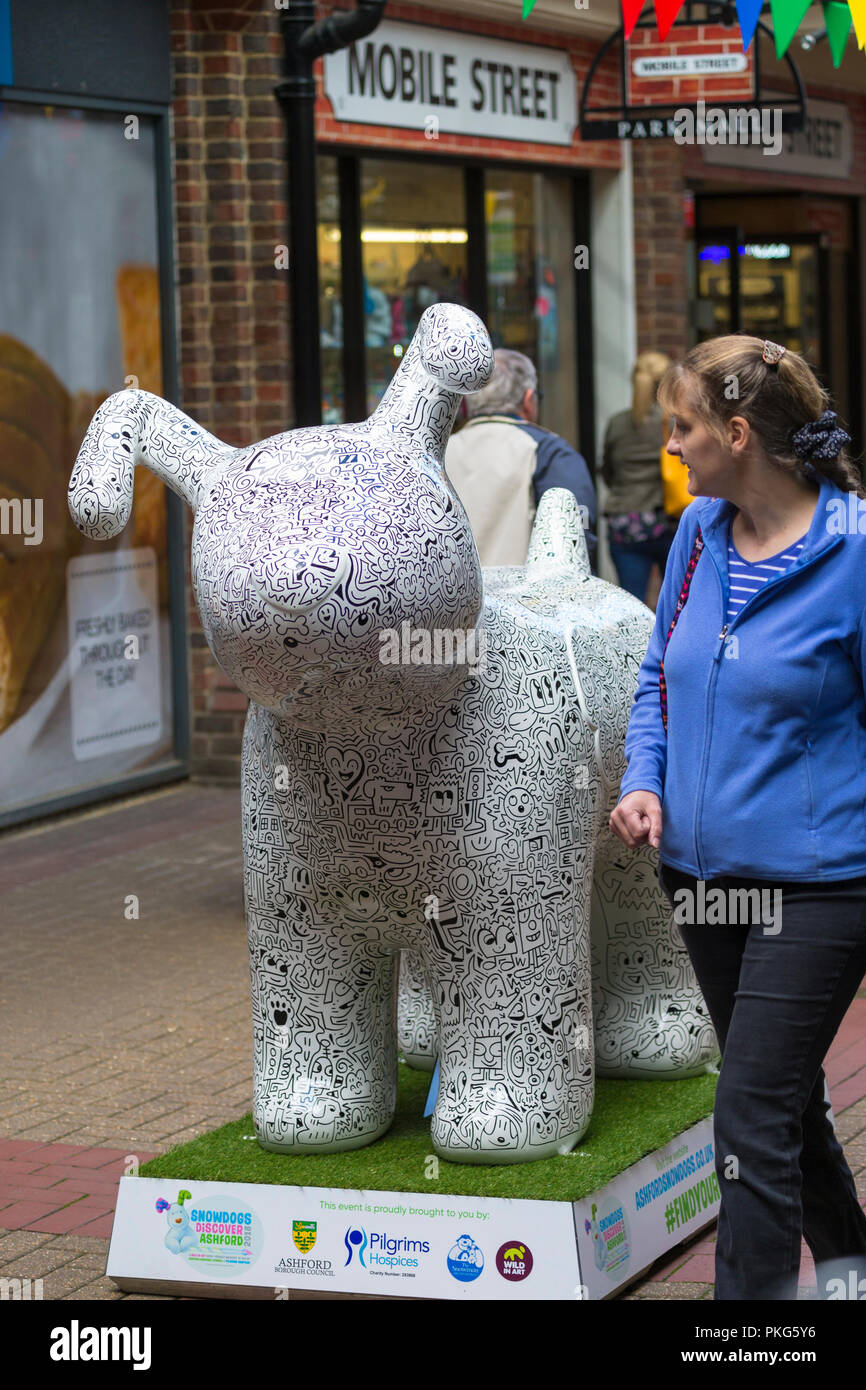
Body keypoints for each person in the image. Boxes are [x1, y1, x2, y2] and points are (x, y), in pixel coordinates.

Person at [609, 333, 866, 1301]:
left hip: (820, 886)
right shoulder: (694, 537)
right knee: (783, 1097)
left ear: (735, 432)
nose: (667, 446)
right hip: (698, 880)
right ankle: (846, 1262)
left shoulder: (849, 552)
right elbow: (655, 682)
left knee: (747, 1109)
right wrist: (645, 780)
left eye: (679, 428)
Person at [444, 348, 597, 569]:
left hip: (452, 597)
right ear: (528, 399)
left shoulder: (438, 454)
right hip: (523, 598)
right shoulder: (549, 452)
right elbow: (576, 541)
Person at [601, 351, 678, 604]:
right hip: (664, 521)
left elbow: (608, 472)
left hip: (624, 523)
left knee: (630, 604)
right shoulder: (671, 424)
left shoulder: (616, 423)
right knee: (678, 601)